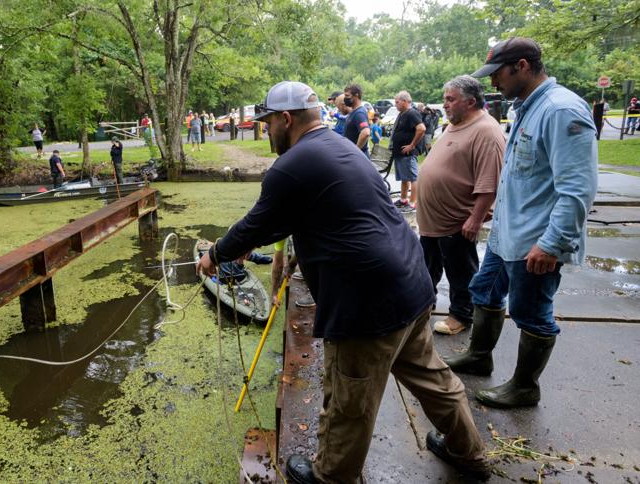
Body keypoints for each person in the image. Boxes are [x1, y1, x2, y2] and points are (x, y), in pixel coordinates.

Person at [196, 80, 489, 483]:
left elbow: (254, 224)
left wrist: (216, 255)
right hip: (411, 284)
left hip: (366, 303)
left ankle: (332, 476)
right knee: (431, 377)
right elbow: (308, 214)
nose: (266, 132)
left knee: (348, 400)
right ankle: (469, 452)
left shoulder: (292, 164)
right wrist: (254, 241)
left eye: (268, 124)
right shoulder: (340, 146)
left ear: (286, 119)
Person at [443, 37, 598, 409]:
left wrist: (552, 243)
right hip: (506, 235)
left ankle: (525, 386)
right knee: (484, 291)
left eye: (499, 73)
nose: (493, 82)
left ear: (523, 66)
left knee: (531, 312)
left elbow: (577, 189)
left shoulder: (562, 110)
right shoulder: (526, 108)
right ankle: (480, 356)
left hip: (536, 240)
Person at [417, 75, 504, 336]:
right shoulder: (454, 124)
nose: (445, 104)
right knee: (426, 267)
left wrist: (475, 219)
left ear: (470, 102)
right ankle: (422, 307)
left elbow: (490, 182)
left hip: (457, 220)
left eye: (450, 99)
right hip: (432, 220)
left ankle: (461, 315)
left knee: (461, 271)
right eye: (445, 99)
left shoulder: (486, 131)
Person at [389, 91, 425, 212]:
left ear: (405, 101)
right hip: (400, 152)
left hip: (408, 153)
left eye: (397, 102)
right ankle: (403, 199)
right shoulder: (403, 113)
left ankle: (413, 202)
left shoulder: (412, 113)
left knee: (413, 178)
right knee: (405, 178)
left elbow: (421, 129)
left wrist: (412, 145)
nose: (395, 105)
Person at [342, 83, 371, 157]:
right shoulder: (354, 111)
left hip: (358, 157)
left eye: (347, 96)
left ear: (356, 95)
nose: (345, 98)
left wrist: (356, 150)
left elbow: (365, 132)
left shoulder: (359, 113)